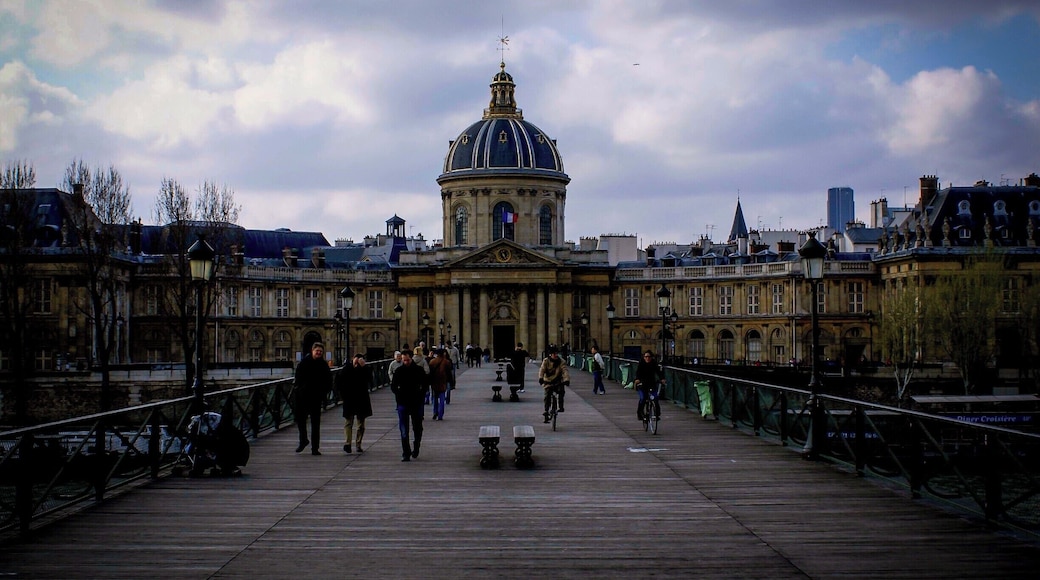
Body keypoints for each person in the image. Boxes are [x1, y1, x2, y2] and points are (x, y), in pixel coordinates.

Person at [293, 342, 331, 455]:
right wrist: (300, 389)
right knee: (300, 420)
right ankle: (303, 440)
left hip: (316, 397)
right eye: (317, 351)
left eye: (320, 351)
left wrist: (324, 392)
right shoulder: (304, 363)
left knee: (315, 424)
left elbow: (328, 380)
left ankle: (315, 448)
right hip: (303, 397)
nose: (318, 353)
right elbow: (297, 378)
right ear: (312, 351)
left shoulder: (323, 365)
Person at [390, 349, 428, 461]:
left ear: (411, 358)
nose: (405, 362)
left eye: (407, 360)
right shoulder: (399, 371)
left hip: (416, 402)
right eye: (403, 360)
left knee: (417, 428)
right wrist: (398, 395)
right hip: (403, 403)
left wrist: (420, 397)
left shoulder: (419, 370)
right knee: (404, 430)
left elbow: (425, 385)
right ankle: (406, 453)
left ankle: (416, 446)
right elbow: (393, 386)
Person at [336, 353, 372, 453]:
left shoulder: (365, 369)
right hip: (349, 398)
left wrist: (363, 367)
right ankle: (347, 443)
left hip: (362, 398)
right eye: (356, 359)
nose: (357, 361)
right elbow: (339, 382)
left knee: (361, 424)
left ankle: (358, 444)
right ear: (353, 359)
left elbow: (370, 380)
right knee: (348, 422)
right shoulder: (347, 368)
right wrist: (342, 395)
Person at [538, 344, 570, 424]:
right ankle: (546, 410)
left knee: (561, 391)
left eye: (556, 353)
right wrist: (541, 378)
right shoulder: (546, 361)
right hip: (548, 381)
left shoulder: (561, 361)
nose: (556, 355)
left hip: (558, 381)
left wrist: (566, 379)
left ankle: (561, 406)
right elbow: (542, 370)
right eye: (554, 354)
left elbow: (565, 371)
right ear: (550, 354)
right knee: (547, 395)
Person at [634, 350, 665, 421]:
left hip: (651, 384)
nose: (647, 358)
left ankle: (657, 414)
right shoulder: (641, 364)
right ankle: (640, 413)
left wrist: (662, 378)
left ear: (651, 358)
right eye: (646, 357)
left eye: (649, 357)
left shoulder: (654, 363)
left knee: (655, 398)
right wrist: (637, 379)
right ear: (644, 357)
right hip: (642, 384)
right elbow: (638, 372)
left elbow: (658, 372)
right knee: (643, 398)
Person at [428, 348, 451, 420]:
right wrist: (450, 381)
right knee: (442, 399)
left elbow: (430, 373)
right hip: (442, 382)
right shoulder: (446, 362)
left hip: (434, 382)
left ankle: (435, 412)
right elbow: (449, 373)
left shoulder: (432, 361)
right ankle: (440, 415)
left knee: (435, 398)